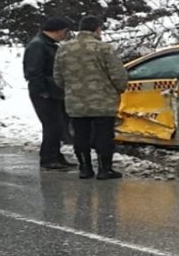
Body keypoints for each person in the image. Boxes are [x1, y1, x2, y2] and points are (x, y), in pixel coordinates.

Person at [54, 16, 128, 180]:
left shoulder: (64, 49)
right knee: (104, 135)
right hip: (103, 100)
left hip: (76, 102)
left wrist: (71, 90)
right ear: (97, 29)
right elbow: (117, 74)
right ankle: (104, 169)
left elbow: (58, 77)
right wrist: (120, 88)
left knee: (80, 135)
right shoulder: (103, 48)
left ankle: (85, 168)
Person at [23, 16, 75, 171]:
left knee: (57, 125)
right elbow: (34, 71)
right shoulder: (38, 46)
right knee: (52, 125)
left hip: (54, 92)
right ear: (58, 31)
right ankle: (49, 158)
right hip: (44, 93)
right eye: (65, 31)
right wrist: (42, 91)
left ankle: (55, 156)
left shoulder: (48, 44)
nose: (66, 34)